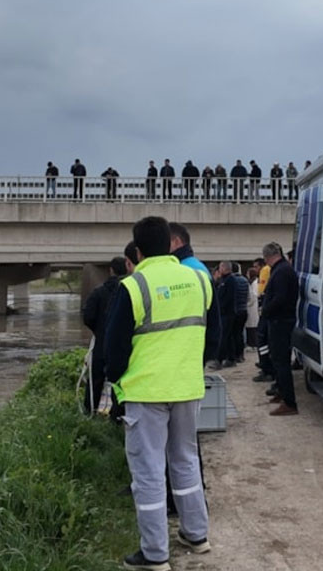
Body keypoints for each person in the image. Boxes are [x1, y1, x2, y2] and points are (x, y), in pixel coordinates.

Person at [104, 216, 213, 569]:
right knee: (185, 461)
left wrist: (116, 383)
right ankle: (196, 536)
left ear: (136, 251)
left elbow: (114, 350)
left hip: (145, 392)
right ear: (171, 244)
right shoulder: (199, 279)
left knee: (149, 472)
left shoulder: (133, 286)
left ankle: (155, 554)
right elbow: (215, 336)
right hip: (187, 388)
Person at [169, 222, 221, 362]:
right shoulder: (198, 267)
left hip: (185, 348)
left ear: (176, 242)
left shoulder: (183, 270)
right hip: (195, 346)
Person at [83, 256, 129, 414]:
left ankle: (90, 413)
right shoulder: (130, 290)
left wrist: (98, 330)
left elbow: (87, 316)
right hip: (124, 345)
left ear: (111, 270)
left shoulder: (99, 292)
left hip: (101, 342)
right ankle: (117, 415)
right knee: (121, 381)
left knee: (95, 382)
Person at [261, 242, 299, 416]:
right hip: (279, 320)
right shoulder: (282, 269)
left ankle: (289, 402)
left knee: (281, 361)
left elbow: (280, 298)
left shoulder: (282, 271)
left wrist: (266, 310)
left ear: (268, 257)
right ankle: (281, 392)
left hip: (281, 321)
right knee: (277, 358)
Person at [244, 264, 260, 365]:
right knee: (250, 326)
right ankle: (252, 343)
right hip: (251, 307)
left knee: (252, 326)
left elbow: (254, 296)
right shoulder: (251, 283)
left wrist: (248, 304)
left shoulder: (254, 283)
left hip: (252, 307)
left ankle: (253, 344)